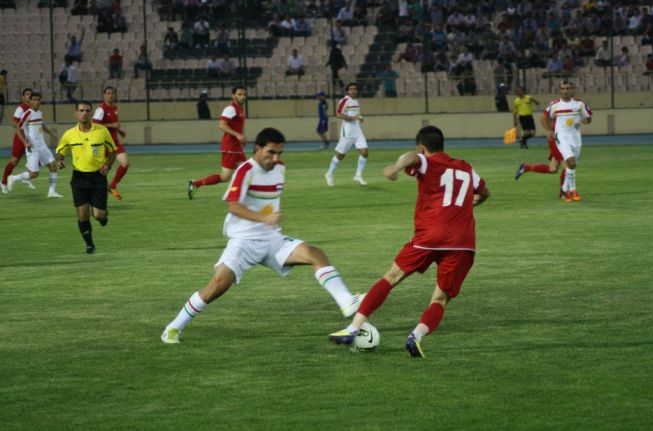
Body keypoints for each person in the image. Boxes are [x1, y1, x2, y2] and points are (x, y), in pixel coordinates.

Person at [161, 128, 364, 344]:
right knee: (216, 287)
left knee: (316, 254)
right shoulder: (245, 171)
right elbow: (233, 206)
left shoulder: (280, 168)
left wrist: (269, 219)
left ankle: (346, 301)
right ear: (258, 149)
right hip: (243, 241)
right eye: (271, 152)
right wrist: (262, 217)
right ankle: (173, 327)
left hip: (272, 239)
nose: (276, 158)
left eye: (280, 153)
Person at [329, 125, 490, 358]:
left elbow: (412, 158)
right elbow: (485, 192)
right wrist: (471, 202)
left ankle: (353, 328)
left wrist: (395, 166)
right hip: (463, 243)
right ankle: (416, 336)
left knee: (391, 277)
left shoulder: (427, 162)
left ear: (422, 147)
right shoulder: (466, 167)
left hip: (430, 236)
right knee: (441, 298)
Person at [56, 101, 116, 254]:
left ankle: (104, 217)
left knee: (98, 214)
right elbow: (60, 150)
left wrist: (108, 165)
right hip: (79, 178)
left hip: (98, 178)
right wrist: (60, 159)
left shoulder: (102, 131)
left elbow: (112, 151)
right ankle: (89, 244)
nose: (84, 113)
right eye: (81, 110)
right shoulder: (70, 134)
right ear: (76, 113)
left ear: (91, 113)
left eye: (87, 110)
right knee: (82, 214)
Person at [521, 81, 591, 202]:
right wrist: (550, 130)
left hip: (576, 139)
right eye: (562, 88)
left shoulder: (580, 104)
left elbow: (587, 118)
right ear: (560, 90)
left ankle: (564, 190)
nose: (565, 91)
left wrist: (585, 120)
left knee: (569, 166)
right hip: (561, 139)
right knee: (570, 162)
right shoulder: (555, 105)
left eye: (567, 88)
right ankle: (573, 190)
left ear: (572, 90)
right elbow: (543, 118)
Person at [188, 86, 247, 199]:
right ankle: (195, 184)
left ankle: (240, 194)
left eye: (244, 94)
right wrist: (237, 135)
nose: (242, 97)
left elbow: (238, 126)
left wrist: (242, 136)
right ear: (233, 96)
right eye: (239, 94)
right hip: (230, 146)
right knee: (225, 177)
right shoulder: (231, 109)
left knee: (246, 170)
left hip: (236, 147)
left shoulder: (239, 108)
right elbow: (222, 125)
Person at [6, 92, 62, 198]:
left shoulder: (39, 113)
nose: (36, 102)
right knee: (34, 174)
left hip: (42, 146)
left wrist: (51, 133)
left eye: (38, 99)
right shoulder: (28, 113)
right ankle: (13, 178)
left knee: (53, 166)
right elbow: (18, 128)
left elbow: (41, 124)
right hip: (33, 148)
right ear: (30, 101)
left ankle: (52, 192)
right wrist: (25, 143)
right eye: (34, 100)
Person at [324, 82, 368, 186]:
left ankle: (358, 175)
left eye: (355, 89)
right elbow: (338, 114)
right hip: (347, 132)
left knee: (365, 151)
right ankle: (329, 174)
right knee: (340, 155)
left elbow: (354, 114)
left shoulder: (356, 101)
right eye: (351, 89)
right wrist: (352, 118)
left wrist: (359, 118)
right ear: (347, 91)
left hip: (357, 130)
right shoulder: (345, 100)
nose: (353, 91)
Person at [92, 86, 130, 201]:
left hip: (115, 143)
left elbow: (114, 124)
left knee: (126, 163)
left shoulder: (114, 108)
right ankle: (96, 195)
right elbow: (94, 125)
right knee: (102, 171)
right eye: (108, 93)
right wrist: (113, 125)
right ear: (104, 95)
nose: (111, 95)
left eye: (112, 93)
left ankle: (112, 185)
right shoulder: (101, 109)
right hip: (103, 145)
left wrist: (119, 131)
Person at [2, 88, 35, 194]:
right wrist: (22, 127)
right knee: (14, 161)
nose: (29, 96)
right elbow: (14, 123)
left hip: (32, 138)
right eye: (27, 94)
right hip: (21, 139)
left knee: (38, 159)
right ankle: (3, 182)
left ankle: (26, 177)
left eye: (31, 94)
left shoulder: (35, 108)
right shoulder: (21, 108)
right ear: (23, 97)